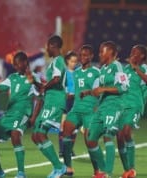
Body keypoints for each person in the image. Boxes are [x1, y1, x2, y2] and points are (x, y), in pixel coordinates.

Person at [0, 51, 41, 178]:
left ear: (25, 63)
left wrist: (33, 117)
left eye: (17, 64)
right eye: (14, 64)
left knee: (15, 136)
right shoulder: (12, 77)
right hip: (9, 115)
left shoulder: (33, 77)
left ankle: (21, 173)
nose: (15, 67)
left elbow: (40, 98)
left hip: (23, 114)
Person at [86, 41, 128, 178]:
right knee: (91, 139)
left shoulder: (117, 67)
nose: (99, 54)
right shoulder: (103, 69)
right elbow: (100, 90)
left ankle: (107, 172)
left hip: (115, 105)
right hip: (102, 107)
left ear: (110, 52)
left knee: (108, 135)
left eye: (101, 52)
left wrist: (103, 89)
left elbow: (123, 87)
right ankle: (103, 170)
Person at [30, 35, 67, 178]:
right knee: (35, 136)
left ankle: (59, 167)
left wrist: (44, 86)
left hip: (55, 101)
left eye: (47, 46)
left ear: (53, 45)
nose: (46, 49)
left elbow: (57, 79)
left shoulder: (58, 60)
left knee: (40, 134)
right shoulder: (53, 62)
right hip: (48, 101)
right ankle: (57, 166)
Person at [62, 45, 100, 176]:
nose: (83, 57)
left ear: (91, 56)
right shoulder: (76, 72)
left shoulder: (96, 72)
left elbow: (98, 92)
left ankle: (97, 171)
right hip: (76, 110)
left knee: (90, 142)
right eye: (81, 55)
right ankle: (68, 167)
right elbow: (76, 91)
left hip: (90, 111)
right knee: (66, 131)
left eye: (86, 55)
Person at [117, 44, 147, 178]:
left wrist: (135, 68)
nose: (132, 54)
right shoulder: (125, 69)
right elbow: (120, 86)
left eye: (135, 53)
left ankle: (132, 169)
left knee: (126, 131)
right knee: (119, 137)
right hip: (122, 105)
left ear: (142, 56)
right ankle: (127, 170)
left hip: (135, 106)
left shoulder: (145, 68)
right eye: (131, 52)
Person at [58, 51, 78, 158]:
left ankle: (70, 150)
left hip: (75, 101)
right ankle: (62, 150)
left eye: (75, 61)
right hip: (66, 100)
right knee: (63, 125)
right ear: (67, 61)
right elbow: (61, 87)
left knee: (74, 127)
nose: (74, 63)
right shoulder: (64, 73)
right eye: (72, 61)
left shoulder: (78, 73)